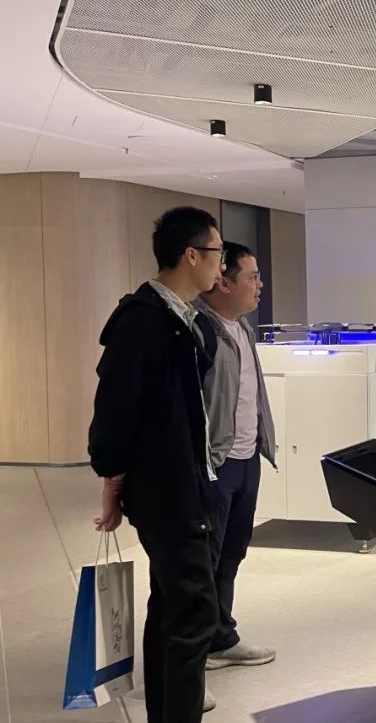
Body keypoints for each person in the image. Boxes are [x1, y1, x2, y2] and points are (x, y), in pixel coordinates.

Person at [89, 207, 226, 721]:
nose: (220, 265)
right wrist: (111, 478)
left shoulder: (182, 320)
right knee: (193, 612)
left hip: (185, 484)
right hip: (167, 491)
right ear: (191, 255)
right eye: (216, 253)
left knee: (172, 606)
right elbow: (115, 411)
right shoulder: (143, 321)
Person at [193, 242, 277, 671]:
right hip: (216, 463)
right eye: (253, 277)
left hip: (247, 459)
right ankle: (197, 646)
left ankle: (221, 636)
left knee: (232, 551)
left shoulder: (242, 327)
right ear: (223, 282)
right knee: (205, 557)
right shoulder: (198, 330)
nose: (260, 285)